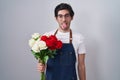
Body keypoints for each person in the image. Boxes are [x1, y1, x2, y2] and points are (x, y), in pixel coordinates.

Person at [37, 3, 86, 80]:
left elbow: (81, 66)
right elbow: (42, 60)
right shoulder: (47, 36)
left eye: (67, 16)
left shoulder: (79, 38)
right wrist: (41, 65)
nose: (64, 19)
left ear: (71, 17)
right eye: (60, 16)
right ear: (56, 18)